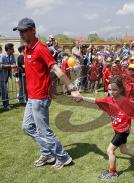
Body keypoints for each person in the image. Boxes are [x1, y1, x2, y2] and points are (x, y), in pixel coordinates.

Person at [13, 17, 81, 169]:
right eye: (20, 31)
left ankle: (63, 157)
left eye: (24, 31)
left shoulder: (41, 49)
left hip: (40, 97)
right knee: (27, 127)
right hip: (32, 97)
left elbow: (56, 69)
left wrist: (72, 89)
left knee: (44, 131)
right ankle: (48, 153)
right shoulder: (26, 49)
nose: (21, 34)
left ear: (33, 30)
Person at [74, 76, 134, 180]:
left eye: (114, 90)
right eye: (110, 89)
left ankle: (112, 172)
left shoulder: (125, 101)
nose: (111, 92)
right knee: (124, 150)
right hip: (118, 130)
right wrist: (82, 97)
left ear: (120, 89)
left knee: (110, 150)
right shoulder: (108, 100)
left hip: (123, 130)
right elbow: (95, 100)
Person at [0, 43, 17, 110]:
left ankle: (5, 103)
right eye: (12, 48)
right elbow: (0, 66)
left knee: (2, 91)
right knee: (4, 91)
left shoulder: (12, 56)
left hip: (6, 76)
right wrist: (10, 66)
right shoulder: (2, 56)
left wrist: (12, 66)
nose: (13, 50)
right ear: (9, 49)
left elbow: (14, 63)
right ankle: (6, 105)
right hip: (1, 77)